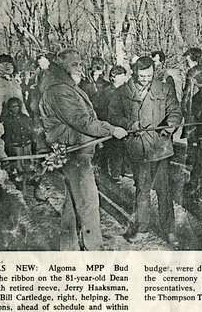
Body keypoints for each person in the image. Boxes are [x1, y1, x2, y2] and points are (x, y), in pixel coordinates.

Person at [40, 49, 128, 251]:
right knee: (88, 202)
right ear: (62, 67)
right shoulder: (59, 90)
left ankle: (69, 249)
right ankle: (94, 249)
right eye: (75, 64)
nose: (81, 67)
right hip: (74, 152)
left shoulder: (66, 86)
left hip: (77, 150)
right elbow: (82, 121)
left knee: (73, 204)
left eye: (81, 63)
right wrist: (111, 129)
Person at [108, 56, 182, 245]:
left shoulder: (164, 89)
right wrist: (130, 124)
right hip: (138, 149)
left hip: (160, 147)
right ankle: (142, 229)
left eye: (149, 75)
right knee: (142, 190)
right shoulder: (123, 92)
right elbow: (113, 115)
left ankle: (170, 231)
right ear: (134, 72)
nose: (145, 79)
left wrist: (171, 124)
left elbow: (175, 110)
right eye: (142, 76)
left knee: (164, 191)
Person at [180, 48, 202, 200]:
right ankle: (195, 182)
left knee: (200, 153)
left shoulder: (196, 73)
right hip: (201, 119)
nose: (186, 63)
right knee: (199, 152)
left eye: (187, 60)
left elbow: (188, 99)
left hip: (197, 120)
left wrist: (188, 121)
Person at [95, 65, 128, 180]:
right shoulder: (108, 92)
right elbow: (103, 112)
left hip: (119, 124)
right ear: (114, 77)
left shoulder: (122, 91)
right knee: (115, 150)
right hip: (111, 126)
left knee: (119, 150)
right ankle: (114, 174)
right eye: (122, 76)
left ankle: (118, 171)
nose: (125, 78)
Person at [0, 97, 34, 187]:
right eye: (13, 107)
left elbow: (30, 128)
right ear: (9, 108)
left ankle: (29, 179)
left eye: (17, 106)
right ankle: (19, 180)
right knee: (18, 163)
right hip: (16, 145)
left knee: (27, 161)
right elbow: (6, 132)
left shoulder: (24, 117)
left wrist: (30, 138)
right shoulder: (7, 119)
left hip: (26, 143)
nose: (15, 108)